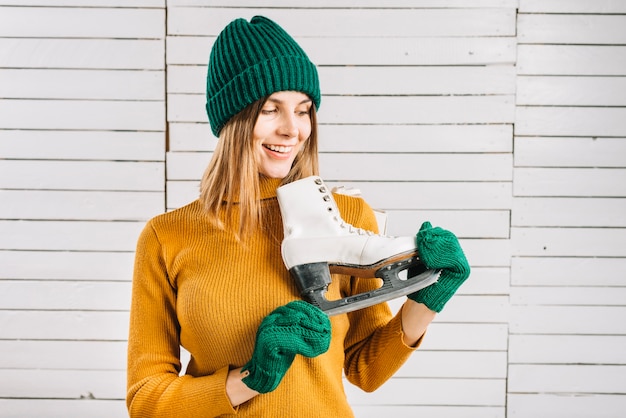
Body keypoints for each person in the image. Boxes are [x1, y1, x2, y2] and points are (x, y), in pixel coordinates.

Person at [126, 15, 470, 417]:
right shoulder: (168, 236)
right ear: (233, 120)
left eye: (304, 110)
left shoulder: (343, 220)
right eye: (271, 110)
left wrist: (425, 301)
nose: (293, 129)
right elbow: (146, 399)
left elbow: (365, 368)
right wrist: (249, 378)